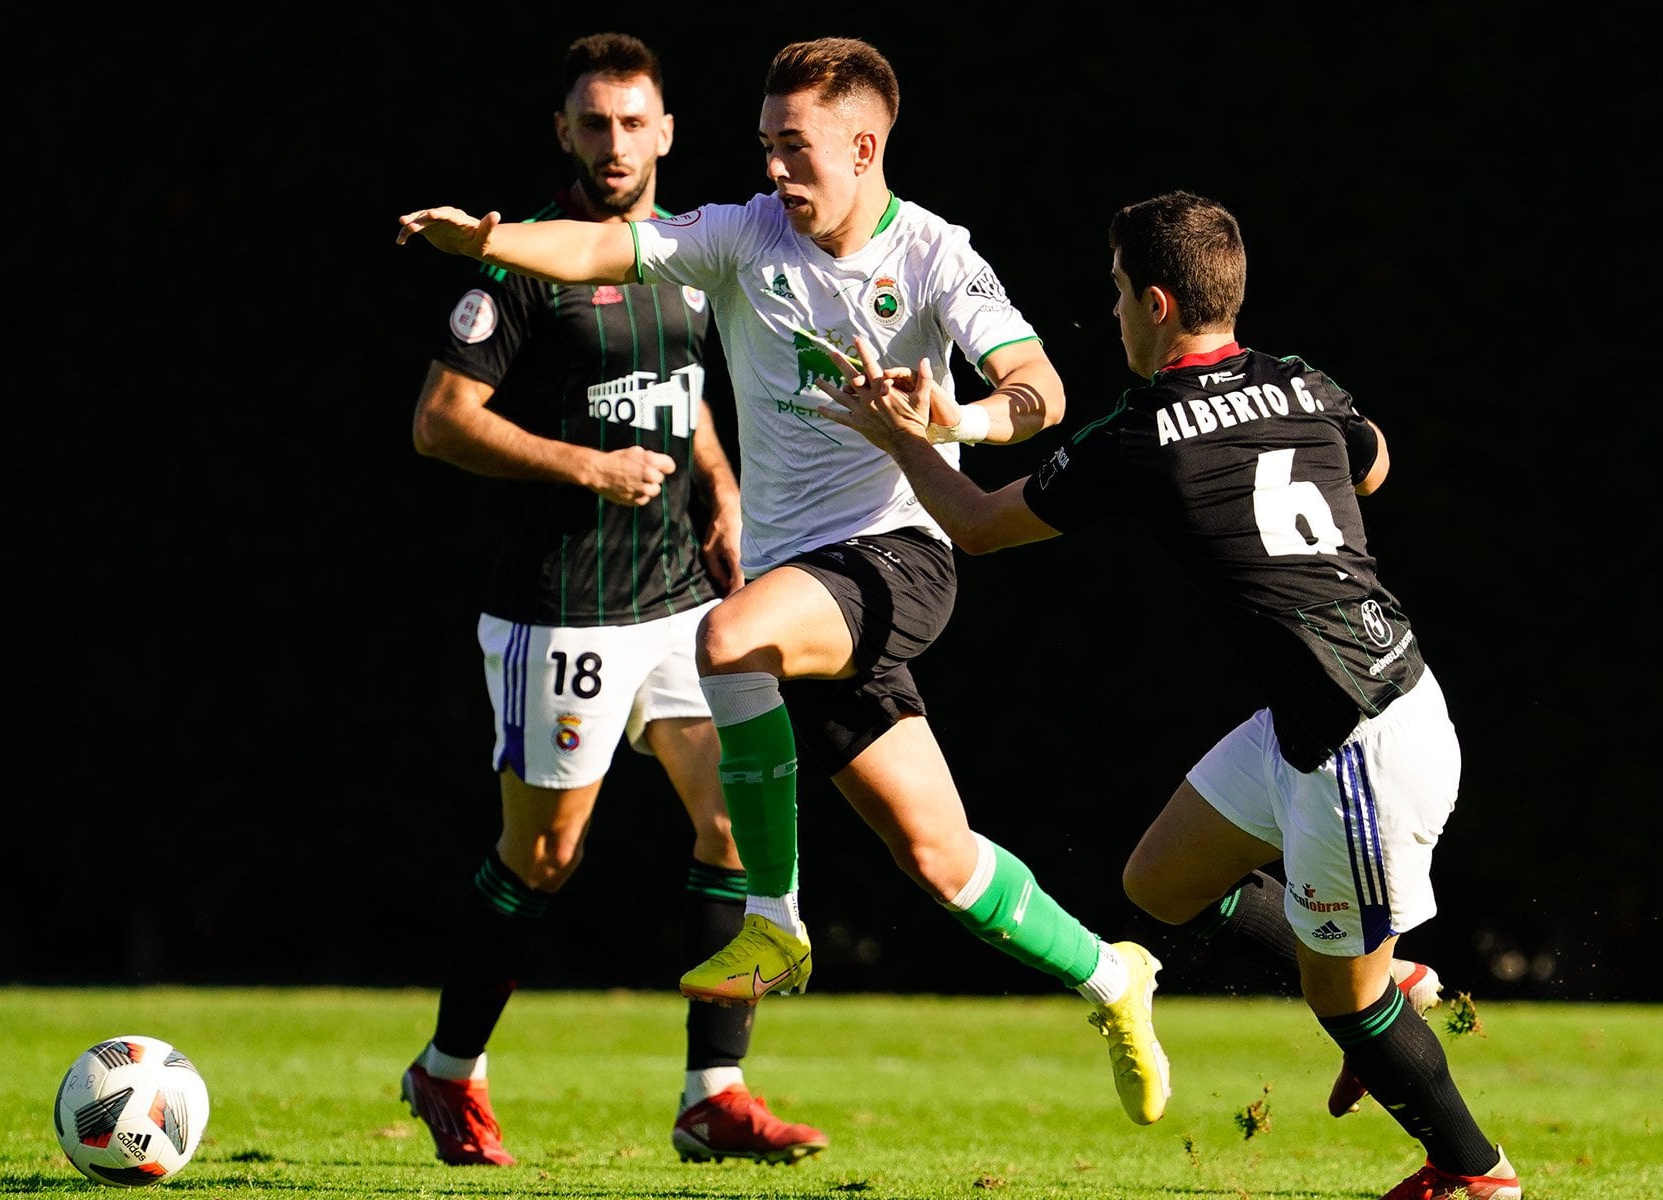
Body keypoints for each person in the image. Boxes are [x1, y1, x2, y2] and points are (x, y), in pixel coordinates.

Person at [399, 36, 1174, 1125]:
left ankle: (774, 916)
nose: (774, 172)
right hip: (801, 591)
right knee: (938, 857)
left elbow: (1037, 387)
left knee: (725, 641)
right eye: (765, 147)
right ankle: (1111, 976)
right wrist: (489, 239)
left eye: (795, 150)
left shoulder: (938, 256)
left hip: (896, 558)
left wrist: (955, 417)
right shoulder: (739, 237)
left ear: (864, 146)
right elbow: (598, 250)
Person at [819, 191, 1520, 1199]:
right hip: (1329, 712)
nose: (1109, 315)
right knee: (1158, 885)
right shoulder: (1298, 379)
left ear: (1153, 302)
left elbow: (972, 524)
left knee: (1342, 1000)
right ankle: (1388, 984)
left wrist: (899, 439)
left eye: (1112, 294)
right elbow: (1372, 464)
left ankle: (1473, 1173)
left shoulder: (1145, 433)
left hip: (1358, 743)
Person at [398, 32, 827, 1167]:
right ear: (563, 134)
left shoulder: (682, 256)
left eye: (634, 124)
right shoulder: (523, 267)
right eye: (594, 124)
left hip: (680, 599)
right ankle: (447, 1072)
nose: (615, 145)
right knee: (542, 859)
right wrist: (586, 466)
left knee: (734, 821)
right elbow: (439, 422)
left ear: (668, 133)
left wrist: (722, 491)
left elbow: (681, 395)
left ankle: (713, 1094)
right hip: (562, 609)